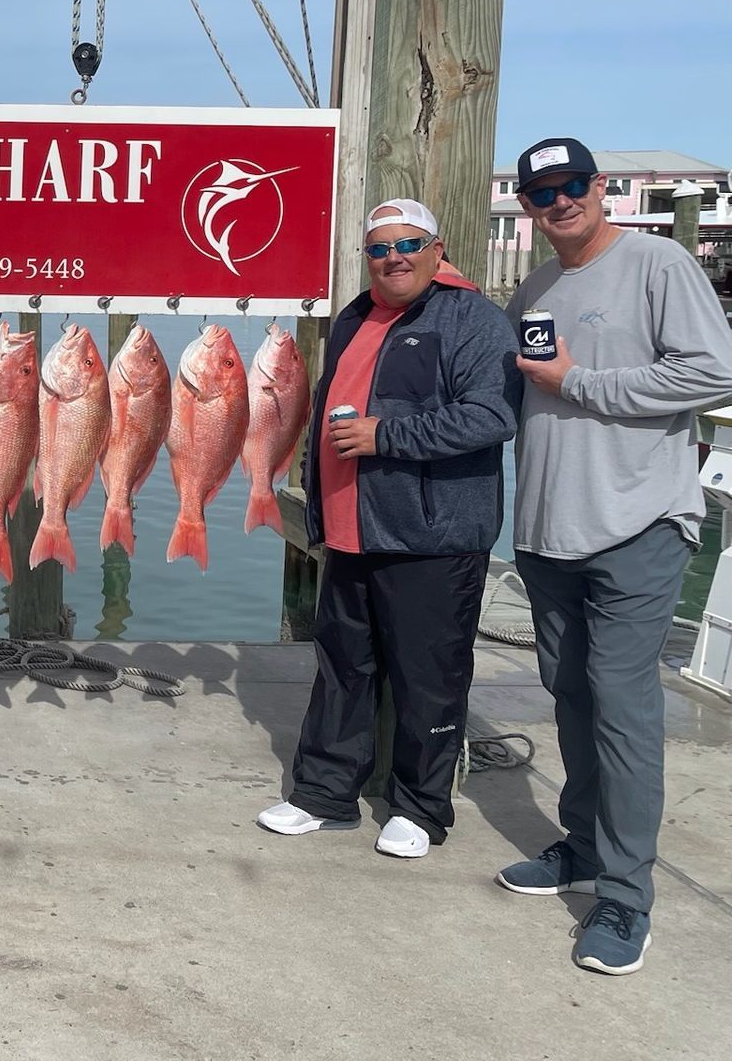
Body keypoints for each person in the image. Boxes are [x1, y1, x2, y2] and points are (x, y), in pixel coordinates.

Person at [497, 137, 732, 975]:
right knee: (569, 698)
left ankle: (625, 900)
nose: (558, 202)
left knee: (625, 710)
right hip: (547, 535)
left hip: (638, 525)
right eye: (540, 193)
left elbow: (715, 372)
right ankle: (586, 844)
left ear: (600, 188)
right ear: (527, 206)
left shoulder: (658, 263)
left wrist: (583, 383)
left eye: (571, 186)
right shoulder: (534, 285)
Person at [259, 198, 521, 859]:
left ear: (438, 248)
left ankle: (421, 807)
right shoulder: (355, 316)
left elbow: (491, 416)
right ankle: (322, 794)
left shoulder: (475, 320)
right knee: (342, 667)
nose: (393, 258)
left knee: (427, 675)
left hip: (433, 536)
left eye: (407, 244)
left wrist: (386, 435)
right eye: (379, 248)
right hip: (351, 531)